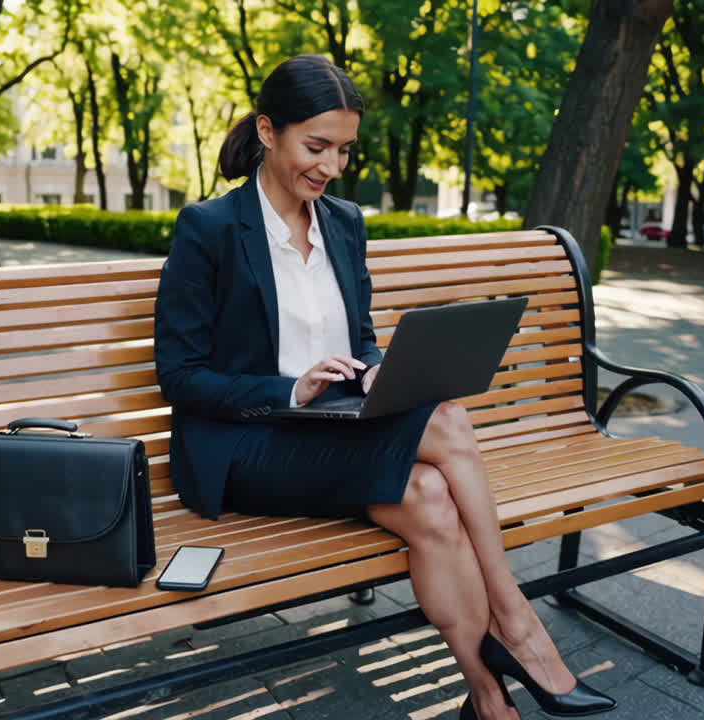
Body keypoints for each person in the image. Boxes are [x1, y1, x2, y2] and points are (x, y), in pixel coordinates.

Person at [153, 54, 616, 720]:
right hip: (248, 445)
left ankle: (489, 700)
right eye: (316, 146)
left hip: (338, 428)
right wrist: (291, 389)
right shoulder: (211, 230)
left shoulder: (343, 224)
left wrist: (373, 370)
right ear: (267, 130)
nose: (331, 167)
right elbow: (182, 376)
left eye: (343, 150)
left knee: (430, 497)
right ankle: (515, 620)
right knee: (449, 422)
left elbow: (362, 337)